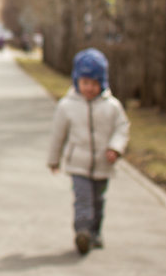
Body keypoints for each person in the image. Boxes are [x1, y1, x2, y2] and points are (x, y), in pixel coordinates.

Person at [47, 47, 130, 255]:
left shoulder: (112, 106)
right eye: (85, 83)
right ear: (76, 81)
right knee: (83, 199)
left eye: (94, 83)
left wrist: (115, 148)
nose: (89, 88)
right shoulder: (67, 106)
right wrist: (54, 159)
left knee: (98, 201)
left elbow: (122, 129)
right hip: (78, 164)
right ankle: (82, 231)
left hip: (103, 164)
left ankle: (95, 232)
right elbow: (58, 135)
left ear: (102, 83)